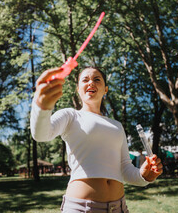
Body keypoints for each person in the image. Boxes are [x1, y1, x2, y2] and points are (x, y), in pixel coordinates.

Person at [30, 66, 163, 213]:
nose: (91, 83)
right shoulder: (70, 116)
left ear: (105, 89)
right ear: (78, 89)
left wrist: (143, 176)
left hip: (119, 208)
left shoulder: (117, 126)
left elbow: (125, 169)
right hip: (81, 208)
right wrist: (41, 108)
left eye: (97, 79)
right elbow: (41, 135)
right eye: (85, 80)